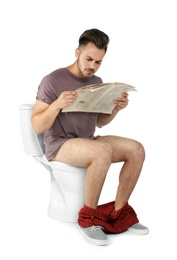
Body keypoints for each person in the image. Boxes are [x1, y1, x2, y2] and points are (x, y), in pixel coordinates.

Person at [31, 28, 149, 246]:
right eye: (88, 59)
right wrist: (57, 104)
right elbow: (36, 125)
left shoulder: (96, 80)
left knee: (137, 149)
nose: (92, 66)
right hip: (60, 144)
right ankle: (89, 220)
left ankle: (120, 212)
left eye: (98, 62)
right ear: (77, 52)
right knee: (101, 152)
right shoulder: (52, 80)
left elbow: (98, 122)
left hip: (88, 140)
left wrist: (115, 109)